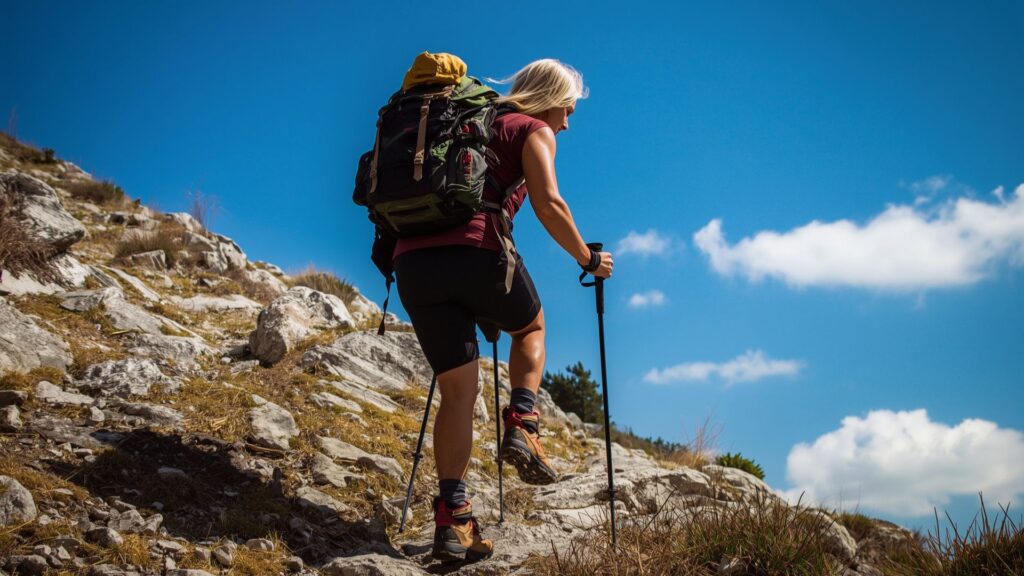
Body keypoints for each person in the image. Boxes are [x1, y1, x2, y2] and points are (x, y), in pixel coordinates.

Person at [392, 58, 614, 561]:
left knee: (457, 394)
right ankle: (523, 423)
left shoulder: (462, 121)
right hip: (478, 251)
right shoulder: (529, 127)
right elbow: (549, 204)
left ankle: (453, 521)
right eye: (568, 108)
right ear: (552, 99)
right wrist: (589, 259)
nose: (568, 121)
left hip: (414, 265)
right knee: (530, 325)